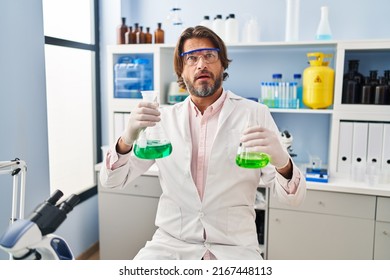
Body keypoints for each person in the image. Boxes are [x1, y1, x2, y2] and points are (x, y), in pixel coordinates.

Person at [100, 25, 306, 260]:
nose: (201, 64)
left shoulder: (255, 113)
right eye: (191, 58)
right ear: (181, 70)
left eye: (209, 56)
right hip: (172, 245)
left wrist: (283, 163)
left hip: (235, 248)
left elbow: (293, 198)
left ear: (222, 64)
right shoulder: (163, 119)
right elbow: (111, 181)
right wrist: (126, 138)